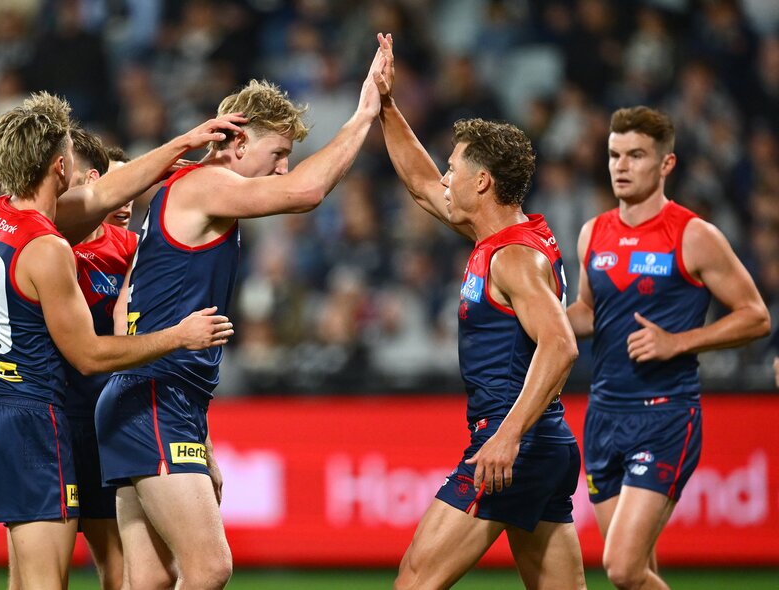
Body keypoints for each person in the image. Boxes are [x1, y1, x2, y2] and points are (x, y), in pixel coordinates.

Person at [94, 50, 387, 589]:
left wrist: (195, 438)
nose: (282, 168)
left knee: (151, 580)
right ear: (239, 142)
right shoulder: (205, 185)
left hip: (146, 399)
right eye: (278, 153)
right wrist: (364, 113)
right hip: (158, 401)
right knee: (209, 569)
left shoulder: (177, 195)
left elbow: (122, 308)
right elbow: (306, 191)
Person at [0, 92, 242, 590]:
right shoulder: (48, 247)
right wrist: (177, 336)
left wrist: (182, 143)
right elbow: (89, 355)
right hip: (26, 418)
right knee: (43, 582)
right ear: (59, 166)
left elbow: (99, 196)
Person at [373, 34, 585, 589]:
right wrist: (387, 105)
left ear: (483, 182)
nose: (445, 177)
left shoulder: (514, 257)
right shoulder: (501, 237)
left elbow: (560, 344)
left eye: (454, 168)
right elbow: (421, 186)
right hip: (544, 442)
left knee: (415, 579)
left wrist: (508, 435)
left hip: (513, 445)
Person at [566, 105, 771, 590]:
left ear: (665, 164)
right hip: (603, 415)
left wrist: (679, 342)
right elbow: (588, 313)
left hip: (665, 417)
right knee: (641, 571)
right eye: (614, 154)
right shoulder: (593, 233)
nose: (620, 165)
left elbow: (755, 315)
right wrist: (533, 319)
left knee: (621, 569)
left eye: (635, 155)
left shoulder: (694, 235)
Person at [5, 133, 135, 590]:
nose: (126, 202)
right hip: (43, 419)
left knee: (119, 568)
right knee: (31, 575)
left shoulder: (129, 250)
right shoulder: (44, 240)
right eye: (119, 190)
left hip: (102, 424)